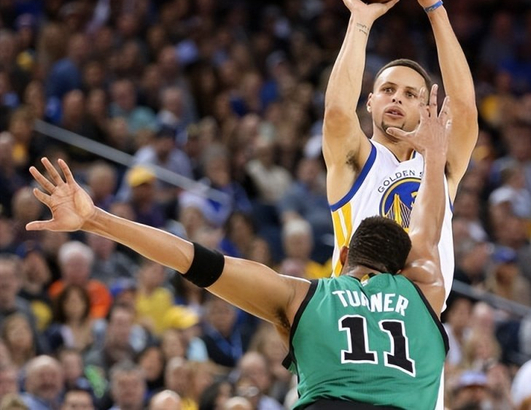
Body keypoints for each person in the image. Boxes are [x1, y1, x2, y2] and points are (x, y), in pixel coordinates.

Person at [26, 86, 452, 410]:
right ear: (403, 269)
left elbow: (194, 259)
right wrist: (434, 158)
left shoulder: (303, 296)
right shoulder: (425, 290)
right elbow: (428, 229)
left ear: (342, 258)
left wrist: (95, 219)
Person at [323, 0, 478, 301]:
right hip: (356, 307)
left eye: (410, 94)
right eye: (388, 90)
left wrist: (435, 8)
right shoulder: (357, 159)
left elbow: (465, 110)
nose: (396, 97)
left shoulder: (438, 165)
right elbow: (337, 113)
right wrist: (360, 20)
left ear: (426, 110)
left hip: (419, 319)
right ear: (369, 102)